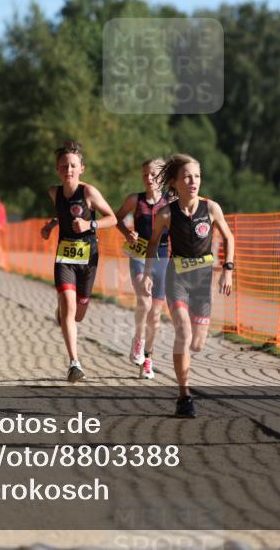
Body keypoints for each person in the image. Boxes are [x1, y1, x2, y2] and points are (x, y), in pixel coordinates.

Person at [142, 154, 235, 418]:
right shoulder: (165, 213)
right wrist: (149, 273)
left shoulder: (212, 208)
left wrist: (228, 270)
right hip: (177, 278)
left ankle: (186, 373)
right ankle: (184, 395)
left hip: (203, 281)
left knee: (197, 344)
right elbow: (152, 244)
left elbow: (229, 238)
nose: (193, 181)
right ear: (175, 182)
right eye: (186, 177)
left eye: (196, 176)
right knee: (182, 331)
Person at [40, 141, 117, 383]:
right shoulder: (54, 192)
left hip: (88, 257)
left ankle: (65, 312)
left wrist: (90, 224)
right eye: (64, 166)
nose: (68, 169)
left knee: (78, 313)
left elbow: (112, 218)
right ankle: (75, 363)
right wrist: (51, 225)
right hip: (64, 257)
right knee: (69, 307)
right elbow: (62, 213)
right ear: (57, 169)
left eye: (73, 165)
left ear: (81, 168)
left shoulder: (89, 193)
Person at [114, 159, 175, 379]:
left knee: (156, 316)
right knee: (144, 300)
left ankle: (148, 359)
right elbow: (116, 218)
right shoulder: (135, 200)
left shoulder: (171, 200)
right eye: (145, 175)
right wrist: (127, 233)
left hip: (162, 258)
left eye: (152, 174)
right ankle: (138, 341)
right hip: (139, 255)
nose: (148, 178)